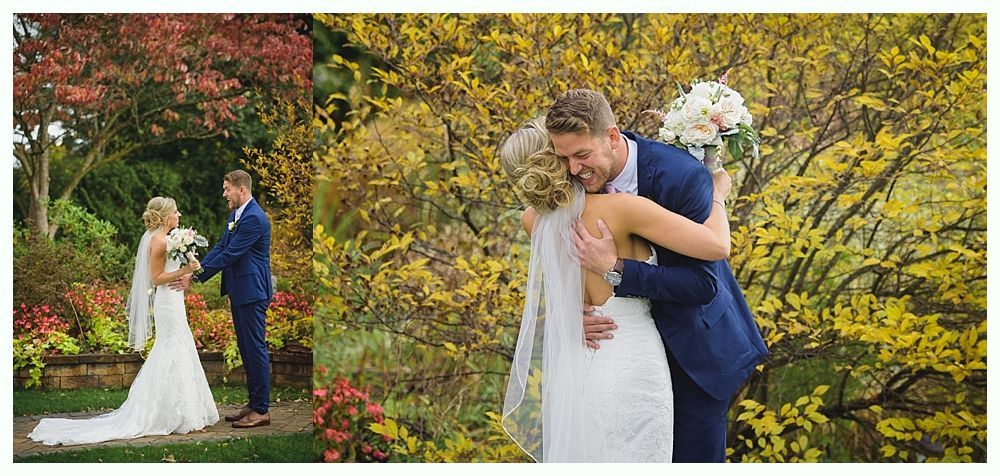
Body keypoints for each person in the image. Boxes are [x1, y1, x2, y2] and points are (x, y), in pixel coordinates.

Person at [546, 89, 769, 462]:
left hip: (694, 353)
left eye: (581, 155)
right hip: (621, 354)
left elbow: (703, 285)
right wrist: (571, 310)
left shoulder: (681, 177)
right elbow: (555, 257)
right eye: (563, 157)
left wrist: (614, 270)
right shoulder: (570, 180)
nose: (572, 169)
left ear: (613, 137)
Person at [499, 117, 734, 462]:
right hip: (632, 363)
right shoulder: (621, 209)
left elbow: (566, 290)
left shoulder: (533, 221)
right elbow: (715, 245)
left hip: (580, 367)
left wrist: (568, 317)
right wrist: (717, 196)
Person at [28, 197, 219, 446]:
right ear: (165, 216)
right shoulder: (160, 240)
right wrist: (185, 270)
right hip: (167, 302)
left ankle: (181, 410)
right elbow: (156, 277)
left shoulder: (168, 238)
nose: (179, 214)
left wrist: (188, 267)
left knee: (178, 348)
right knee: (171, 348)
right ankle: (168, 412)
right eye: (175, 212)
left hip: (174, 300)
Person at [189, 169, 274, 428]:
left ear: (241, 189)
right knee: (247, 349)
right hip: (241, 291)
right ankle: (253, 403)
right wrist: (197, 268)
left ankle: (261, 410)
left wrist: (195, 278)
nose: (224, 193)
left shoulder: (254, 219)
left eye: (227, 189)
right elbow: (220, 248)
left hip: (252, 292)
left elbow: (231, 255)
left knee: (255, 348)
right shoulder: (236, 215)